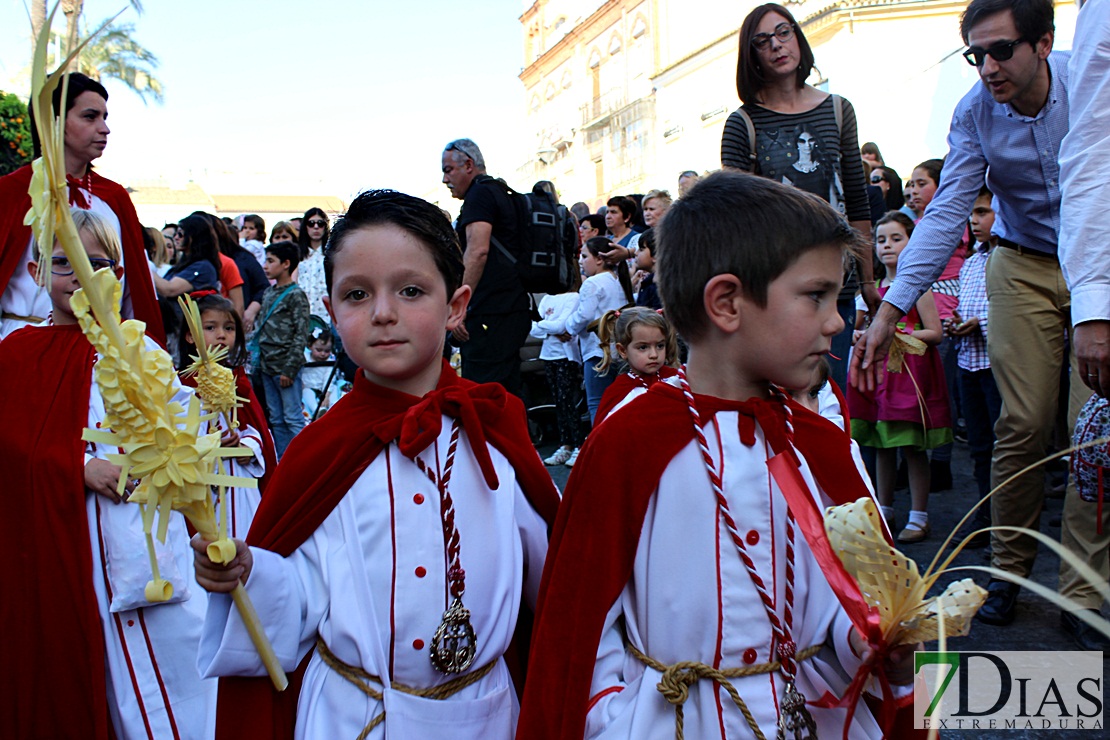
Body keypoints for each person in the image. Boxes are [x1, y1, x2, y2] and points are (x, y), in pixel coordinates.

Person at [518, 172, 916, 739]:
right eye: (815, 295)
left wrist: (868, 643)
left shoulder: (822, 446)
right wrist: (616, 721)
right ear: (727, 302)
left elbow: (847, 600)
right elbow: (583, 631)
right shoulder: (626, 445)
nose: (835, 320)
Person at [193, 189, 559, 739]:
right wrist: (250, 574)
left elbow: (555, 585)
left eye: (411, 290)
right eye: (357, 294)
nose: (383, 313)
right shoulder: (320, 450)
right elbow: (303, 595)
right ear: (333, 310)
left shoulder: (496, 426)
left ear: (456, 305)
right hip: (352, 717)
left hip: (485, 717)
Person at [852, 0, 1092, 632]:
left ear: (1043, 43)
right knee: (1023, 424)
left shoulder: (1090, 77)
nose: (986, 67)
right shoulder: (973, 111)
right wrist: (892, 308)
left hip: (1099, 257)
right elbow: (946, 211)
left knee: (1094, 428)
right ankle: (1008, 571)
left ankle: (1084, 593)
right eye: (975, 54)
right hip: (1021, 262)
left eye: (1001, 50)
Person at [0, 208, 214, 739]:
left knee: (175, 655)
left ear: (119, 274)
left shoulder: (138, 347)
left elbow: (177, 417)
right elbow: (8, 442)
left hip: (144, 535)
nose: (81, 274)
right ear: (35, 274)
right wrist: (75, 466)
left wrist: (203, 437)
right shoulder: (17, 353)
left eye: (97, 263)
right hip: (67, 537)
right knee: (86, 658)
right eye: (64, 263)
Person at [720, 2, 878, 393]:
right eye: (762, 41)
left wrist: (870, 280)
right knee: (782, 398)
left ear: (797, 36)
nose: (776, 45)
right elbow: (733, 218)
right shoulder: (743, 123)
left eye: (783, 32)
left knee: (829, 398)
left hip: (835, 282)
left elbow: (856, 199)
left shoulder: (839, 111)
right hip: (774, 288)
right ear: (751, 54)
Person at [0, 72, 161, 342]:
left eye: (104, 117)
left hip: (102, 352)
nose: (104, 129)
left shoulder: (114, 197)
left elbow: (136, 289)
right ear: (53, 122)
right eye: (90, 116)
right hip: (20, 345)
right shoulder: (11, 191)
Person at [1056, 0, 1110, 651]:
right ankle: (1078, 586)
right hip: (1050, 264)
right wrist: (1093, 306)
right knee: (1090, 444)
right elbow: (1095, 142)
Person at [849, 213, 950, 543]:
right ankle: (885, 508)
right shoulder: (872, 291)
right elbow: (856, 326)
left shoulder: (919, 288)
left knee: (910, 445)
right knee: (881, 444)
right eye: (881, 240)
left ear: (912, 242)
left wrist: (902, 333)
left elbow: (935, 331)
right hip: (878, 376)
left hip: (910, 375)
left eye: (896, 238)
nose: (887, 246)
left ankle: (919, 516)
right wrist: (860, 334)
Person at [441, 138, 532, 397]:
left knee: (484, 395)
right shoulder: (502, 191)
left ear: (468, 165)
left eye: (448, 170)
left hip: (490, 313)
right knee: (506, 392)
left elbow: (478, 250)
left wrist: (461, 306)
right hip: (510, 308)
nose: (445, 180)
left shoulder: (479, 195)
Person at [179, 292, 274, 537]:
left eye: (229, 328)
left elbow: (259, 432)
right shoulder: (180, 386)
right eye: (211, 327)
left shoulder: (239, 382)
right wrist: (207, 443)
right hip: (201, 483)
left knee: (244, 537)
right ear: (190, 335)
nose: (222, 335)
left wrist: (246, 446)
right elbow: (174, 437)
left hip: (238, 482)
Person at [944, 186, 1000, 548]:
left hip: (999, 366)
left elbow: (1018, 316)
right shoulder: (972, 262)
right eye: (972, 214)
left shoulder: (1010, 261)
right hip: (970, 362)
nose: (974, 221)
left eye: (982, 213)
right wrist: (957, 323)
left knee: (1003, 445)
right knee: (979, 445)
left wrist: (979, 323)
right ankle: (986, 514)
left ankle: (1006, 518)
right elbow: (966, 306)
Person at [561, 236, 634, 426]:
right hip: (618, 350)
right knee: (618, 404)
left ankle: (601, 450)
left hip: (597, 350)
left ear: (600, 259)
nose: (580, 261)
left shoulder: (592, 283)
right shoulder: (617, 280)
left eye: (585, 256)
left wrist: (568, 326)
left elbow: (584, 316)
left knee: (597, 404)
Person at [256, 240, 310, 457]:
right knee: (276, 419)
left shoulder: (296, 295)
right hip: (267, 365)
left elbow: (301, 334)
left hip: (285, 366)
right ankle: (283, 459)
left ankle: (304, 458)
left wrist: (290, 368)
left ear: (286, 264)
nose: (265, 265)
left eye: (270, 261)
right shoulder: (269, 293)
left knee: (293, 418)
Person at [531, 278, 584, 467]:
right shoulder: (546, 299)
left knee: (568, 401)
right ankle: (565, 444)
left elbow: (562, 325)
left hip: (566, 356)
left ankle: (579, 444)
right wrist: (552, 330)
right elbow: (532, 327)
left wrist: (549, 327)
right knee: (558, 402)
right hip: (548, 356)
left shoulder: (573, 297)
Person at [593, 306, 679, 422]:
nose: (654, 354)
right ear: (623, 350)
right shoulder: (618, 394)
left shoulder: (677, 380)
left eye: (660, 346)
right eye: (643, 347)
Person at [295, 207, 330, 319]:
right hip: (301, 314)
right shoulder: (297, 254)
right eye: (311, 223)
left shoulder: (332, 254)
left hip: (326, 315)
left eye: (320, 223)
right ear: (305, 226)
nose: (316, 227)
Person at [632, 228, 661, 310]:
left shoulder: (658, 288)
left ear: (656, 255)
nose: (635, 253)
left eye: (641, 249)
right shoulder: (648, 281)